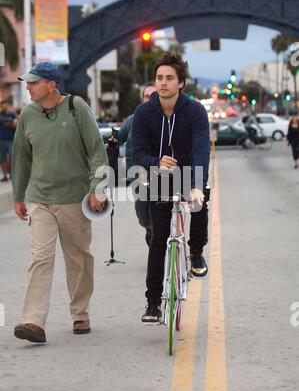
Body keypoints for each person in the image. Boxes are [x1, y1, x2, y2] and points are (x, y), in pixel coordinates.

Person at [12, 62, 108, 343]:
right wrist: (19, 195)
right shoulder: (28, 114)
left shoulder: (77, 109)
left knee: (78, 259)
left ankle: (80, 313)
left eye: (33, 82)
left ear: (51, 84)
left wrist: (97, 189)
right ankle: (33, 321)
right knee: (40, 258)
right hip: (40, 200)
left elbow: (97, 153)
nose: (28, 87)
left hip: (74, 200)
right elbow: (21, 157)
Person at [132, 52, 210, 324]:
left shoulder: (195, 111)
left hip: (189, 173)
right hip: (160, 176)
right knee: (158, 240)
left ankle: (197, 252)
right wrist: (156, 163)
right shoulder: (143, 113)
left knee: (201, 202)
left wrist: (197, 186)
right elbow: (137, 152)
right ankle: (153, 303)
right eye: (159, 78)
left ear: (180, 83)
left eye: (169, 78)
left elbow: (201, 150)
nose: (163, 83)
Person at [113, 84, 157, 245]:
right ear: (142, 99)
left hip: (161, 171)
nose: (150, 99)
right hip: (138, 172)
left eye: (154, 95)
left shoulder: (166, 118)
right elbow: (119, 138)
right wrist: (112, 141)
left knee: (161, 208)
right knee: (143, 213)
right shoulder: (132, 120)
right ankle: (149, 229)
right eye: (147, 96)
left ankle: (159, 238)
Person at [0, 99, 17, 182]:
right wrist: (9, 122)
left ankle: (11, 174)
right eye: (3, 105)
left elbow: (15, 125)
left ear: (8, 105)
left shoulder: (12, 115)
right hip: (1, 140)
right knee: (2, 159)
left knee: (11, 156)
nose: (4, 106)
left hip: (11, 140)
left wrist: (10, 123)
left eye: (5, 104)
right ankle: (5, 176)